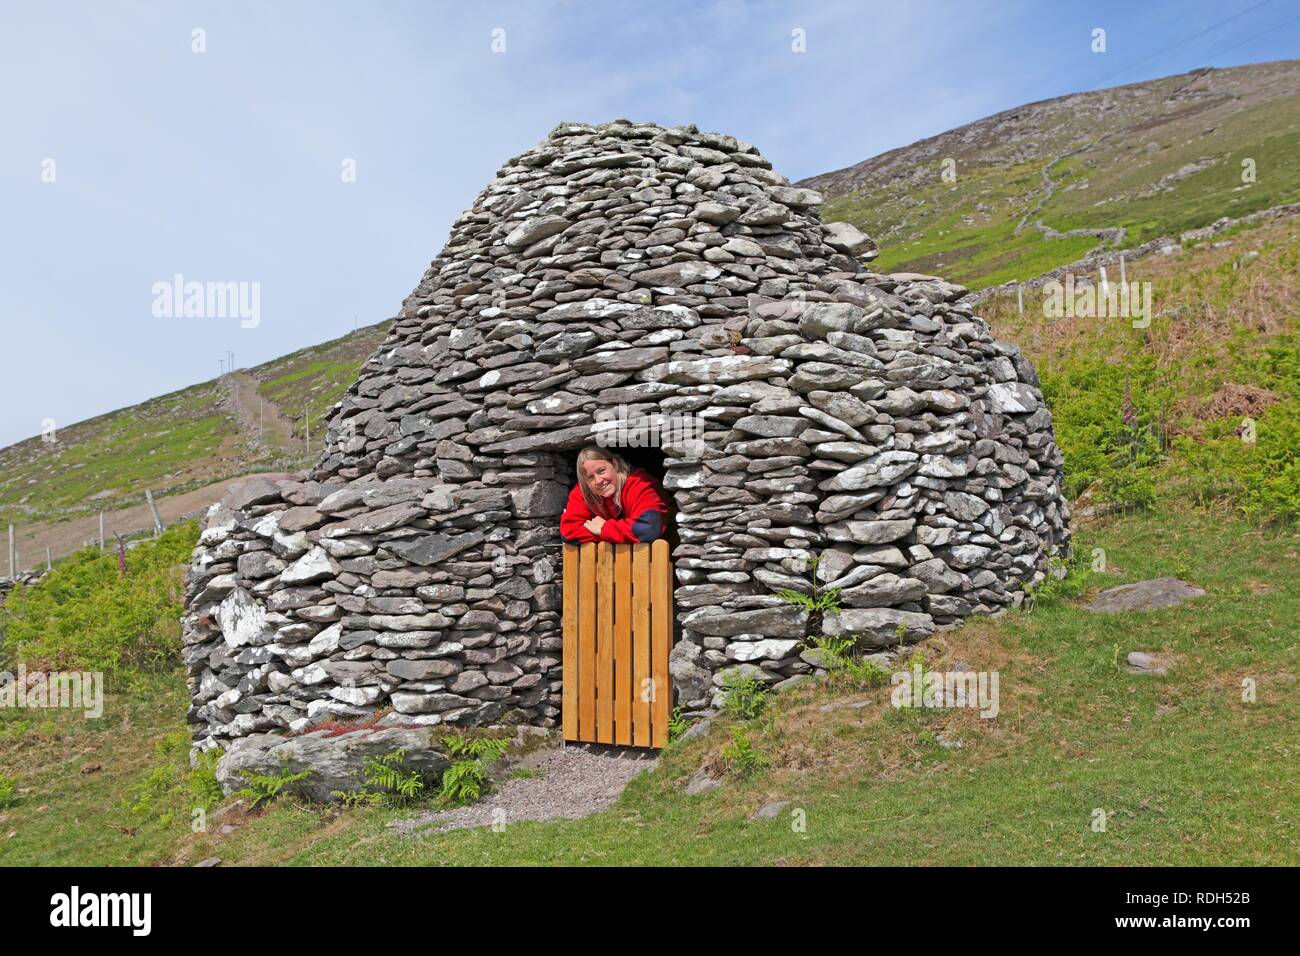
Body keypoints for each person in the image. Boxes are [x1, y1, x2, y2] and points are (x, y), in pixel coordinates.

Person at [559, 446, 669, 544]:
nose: (598, 481)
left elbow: (649, 528)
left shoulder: (638, 484)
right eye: (590, 477)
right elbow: (568, 532)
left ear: (615, 464)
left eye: (601, 471)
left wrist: (604, 529)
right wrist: (610, 533)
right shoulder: (583, 491)